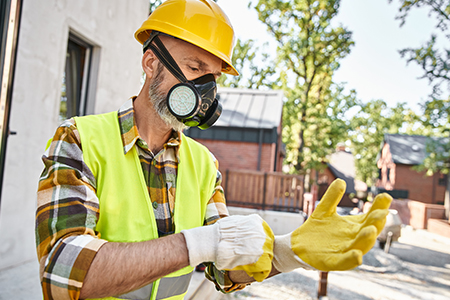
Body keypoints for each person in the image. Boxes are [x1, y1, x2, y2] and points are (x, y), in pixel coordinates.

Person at [36, 1, 392, 299]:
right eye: (194, 68)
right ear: (150, 63)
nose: (205, 90)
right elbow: (62, 272)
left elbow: (224, 270)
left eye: (213, 78)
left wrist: (285, 252)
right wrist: (197, 243)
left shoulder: (204, 164)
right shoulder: (80, 139)